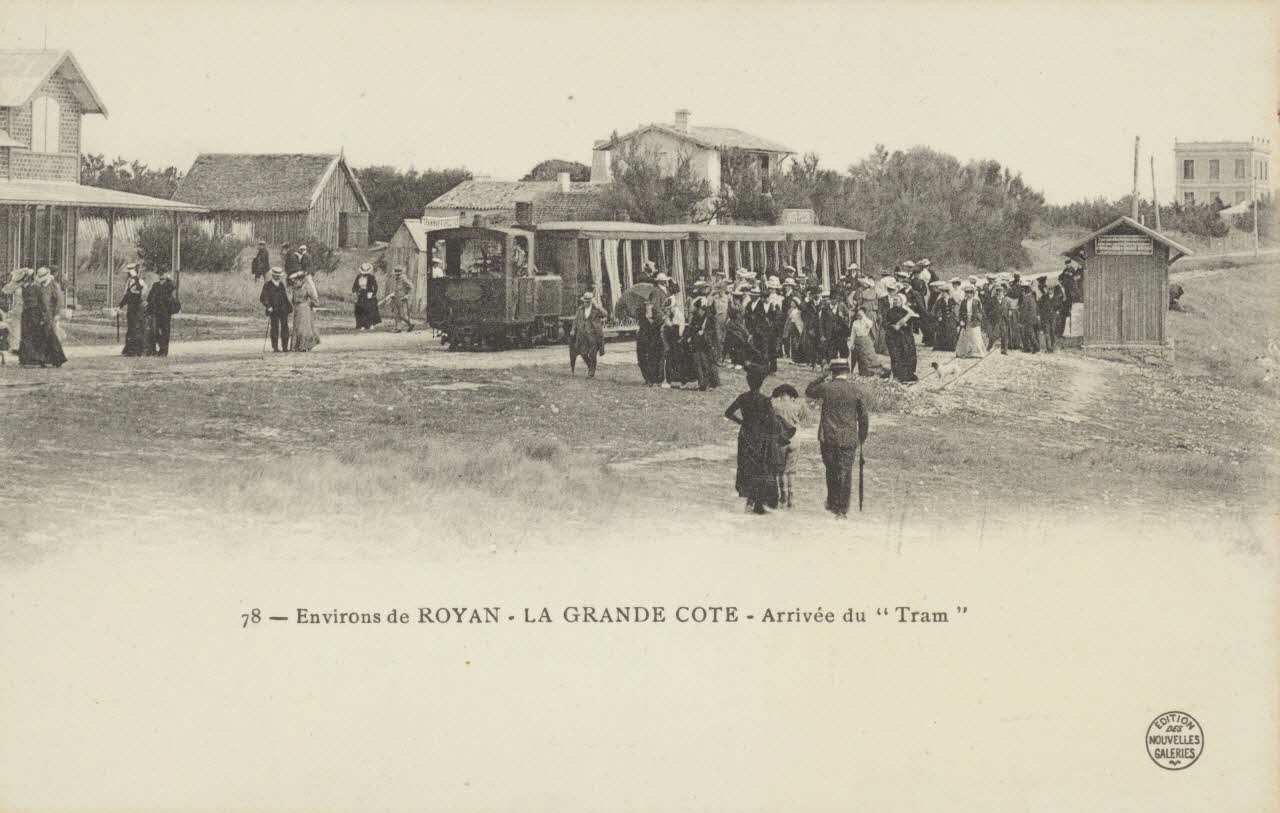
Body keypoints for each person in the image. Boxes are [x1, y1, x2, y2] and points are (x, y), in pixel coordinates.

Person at [805, 360, 870, 518]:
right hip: (848, 438)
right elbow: (863, 417)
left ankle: (832, 501)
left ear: (832, 372)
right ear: (847, 372)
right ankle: (842, 509)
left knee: (831, 470)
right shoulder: (856, 390)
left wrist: (822, 376)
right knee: (845, 472)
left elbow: (809, 391)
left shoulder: (827, 388)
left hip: (828, 437)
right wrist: (861, 436)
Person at [724, 366, 780, 515]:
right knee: (760, 466)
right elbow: (773, 422)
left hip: (745, 434)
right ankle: (757, 501)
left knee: (744, 465)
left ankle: (746, 496)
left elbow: (728, 413)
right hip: (760, 436)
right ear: (761, 383)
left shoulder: (743, 398)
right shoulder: (764, 400)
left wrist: (740, 422)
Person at [19, 266, 67, 368]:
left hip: (49, 314)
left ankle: (58, 359)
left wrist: (57, 314)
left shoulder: (53, 285)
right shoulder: (39, 286)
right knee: (42, 337)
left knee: (50, 336)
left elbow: (58, 301)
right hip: (39, 313)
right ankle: (43, 359)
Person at [770, 384, 801, 509]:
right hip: (794, 438)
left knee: (781, 470)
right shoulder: (798, 405)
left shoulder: (774, 406)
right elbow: (803, 417)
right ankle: (791, 497)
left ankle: (783, 495)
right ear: (792, 396)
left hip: (780, 438)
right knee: (791, 469)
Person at [686, 279, 720, 391]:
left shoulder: (708, 317)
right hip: (698, 342)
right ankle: (702, 384)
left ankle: (710, 383)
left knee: (706, 363)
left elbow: (713, 331)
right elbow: (691, 327)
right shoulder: (698, 315)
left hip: (706, 343)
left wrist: (704, 333)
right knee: (698, 363)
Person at [144, 266, 180, 357]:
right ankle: (155, 349)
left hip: (165, 311)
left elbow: (174, 287)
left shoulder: (169, 284)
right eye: (159, 273)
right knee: (155, 331)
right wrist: (149, 309)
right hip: (156, 311)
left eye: (163, 273)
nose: (161, 275)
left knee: (165, 331)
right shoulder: (155, 285)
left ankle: (163, 350)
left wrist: (169, 279)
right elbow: (150, 298)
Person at [568, 290, 606, 377]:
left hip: (593, 334)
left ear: (591, 301)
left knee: (593, 353)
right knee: (583, 352)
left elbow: (605, 314)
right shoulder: (580, 310)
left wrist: (598, 306)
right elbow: (576, 320)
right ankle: (590, 365)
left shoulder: (596, 309)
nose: (586, 303)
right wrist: (573, 330)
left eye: (588, 301)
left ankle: (591, 371)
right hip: (583, 334)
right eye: (585, 301)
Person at [883, 292, 919, 382]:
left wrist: (906, 323)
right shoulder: (890, 311)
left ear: (902, 301)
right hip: (893, 336)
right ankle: (897, 373)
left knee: (907, 353)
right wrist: (893, 325)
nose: (895, 301)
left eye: (897, 300)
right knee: (896, 355)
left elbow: (910, 323)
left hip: (905, 336)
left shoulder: (906, 311)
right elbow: (888, 323)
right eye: (894, 299)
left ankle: (907, 374)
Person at [260, 266, 293, 352]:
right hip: (273, 310)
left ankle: (285, 347)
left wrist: (289, 307)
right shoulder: (267, 285)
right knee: (274, 328)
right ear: (273, 275)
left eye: (279, 275)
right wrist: (268, 306)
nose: (278, 276)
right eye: (276, 275)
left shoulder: (281, 284)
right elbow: (263, 298)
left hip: (283, 309)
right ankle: (275, 347)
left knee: (285, 327)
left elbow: (285, 297)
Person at [118, 262, 147, 356]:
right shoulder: (141, 281)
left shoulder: (131, 282)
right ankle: (135, 349)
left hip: (134, 308)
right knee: (136, 328)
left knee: (133, 329)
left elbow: (127, 295)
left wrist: (120, 305)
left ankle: (132, 350)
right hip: (138, 307)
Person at [2, 266, 31, 355]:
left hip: (21, 308)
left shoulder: (17, 285)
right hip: (19, 308)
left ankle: (18, 346)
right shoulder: (18, 285)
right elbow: (5, 290)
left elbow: (5, 290)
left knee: (18, 327)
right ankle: (17, 347)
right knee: (17, 327)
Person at [289, 270, 321, 352]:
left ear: (301, 279)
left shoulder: (307, 287)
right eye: (295, 280)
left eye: (297, 279)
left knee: (303, 328)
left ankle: (304, 346)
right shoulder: (295, 288)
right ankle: (296, 346)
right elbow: (293, 299)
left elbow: (315, 300)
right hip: (297, 309)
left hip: (305, 309)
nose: (295, 281)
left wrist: (310, 304)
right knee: (296, 328)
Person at [954, 284, 987, 358]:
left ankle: (976, 352)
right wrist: (961, 320)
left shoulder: (977, 301)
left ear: (973, 293)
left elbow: (981, 311)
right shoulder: (963, 302)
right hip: (966, 321)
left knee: (975, 336)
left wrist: (979, 318)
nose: (968, 295)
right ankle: (964, 352)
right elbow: (961, 312)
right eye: (967, 293)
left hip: (974, 321)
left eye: (970, 293)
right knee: (965, 337)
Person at [384, 268, 414, 332]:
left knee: (402, 315)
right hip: (395, 298)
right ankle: (398, 328)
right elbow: (396, 289)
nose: (396, 275)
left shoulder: (404, 279)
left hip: (402, 299)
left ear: (400, 273)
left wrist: (407, 295)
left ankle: (410, 324)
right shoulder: (396, 279)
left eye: (397, 274)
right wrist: (392, 295)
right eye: (395, 274)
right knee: (396, 314)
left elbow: (411, 287)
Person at [352, 262, 381, 329]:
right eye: (363, 273)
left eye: (366, 273)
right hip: (361, 294)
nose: (364, 274)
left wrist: (373, 294)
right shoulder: (358, 277)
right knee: (360, 309)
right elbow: (355, 286)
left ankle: (370, 324)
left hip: (369, 294)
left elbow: (375, 286)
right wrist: (355, 291)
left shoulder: (371, 277)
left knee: (369, 310)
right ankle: (361, 325)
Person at [1017, 281, 1041, 353]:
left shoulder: (1026, 299)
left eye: (1022, 290)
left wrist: (1020, 321)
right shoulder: (1032, 298)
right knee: (1031, 333)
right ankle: (1029, 348)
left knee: (1030, 334)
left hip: (1028, 319)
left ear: (1024, 291)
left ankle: (1036, 347)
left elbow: (1024, 312)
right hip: (1034, 318)